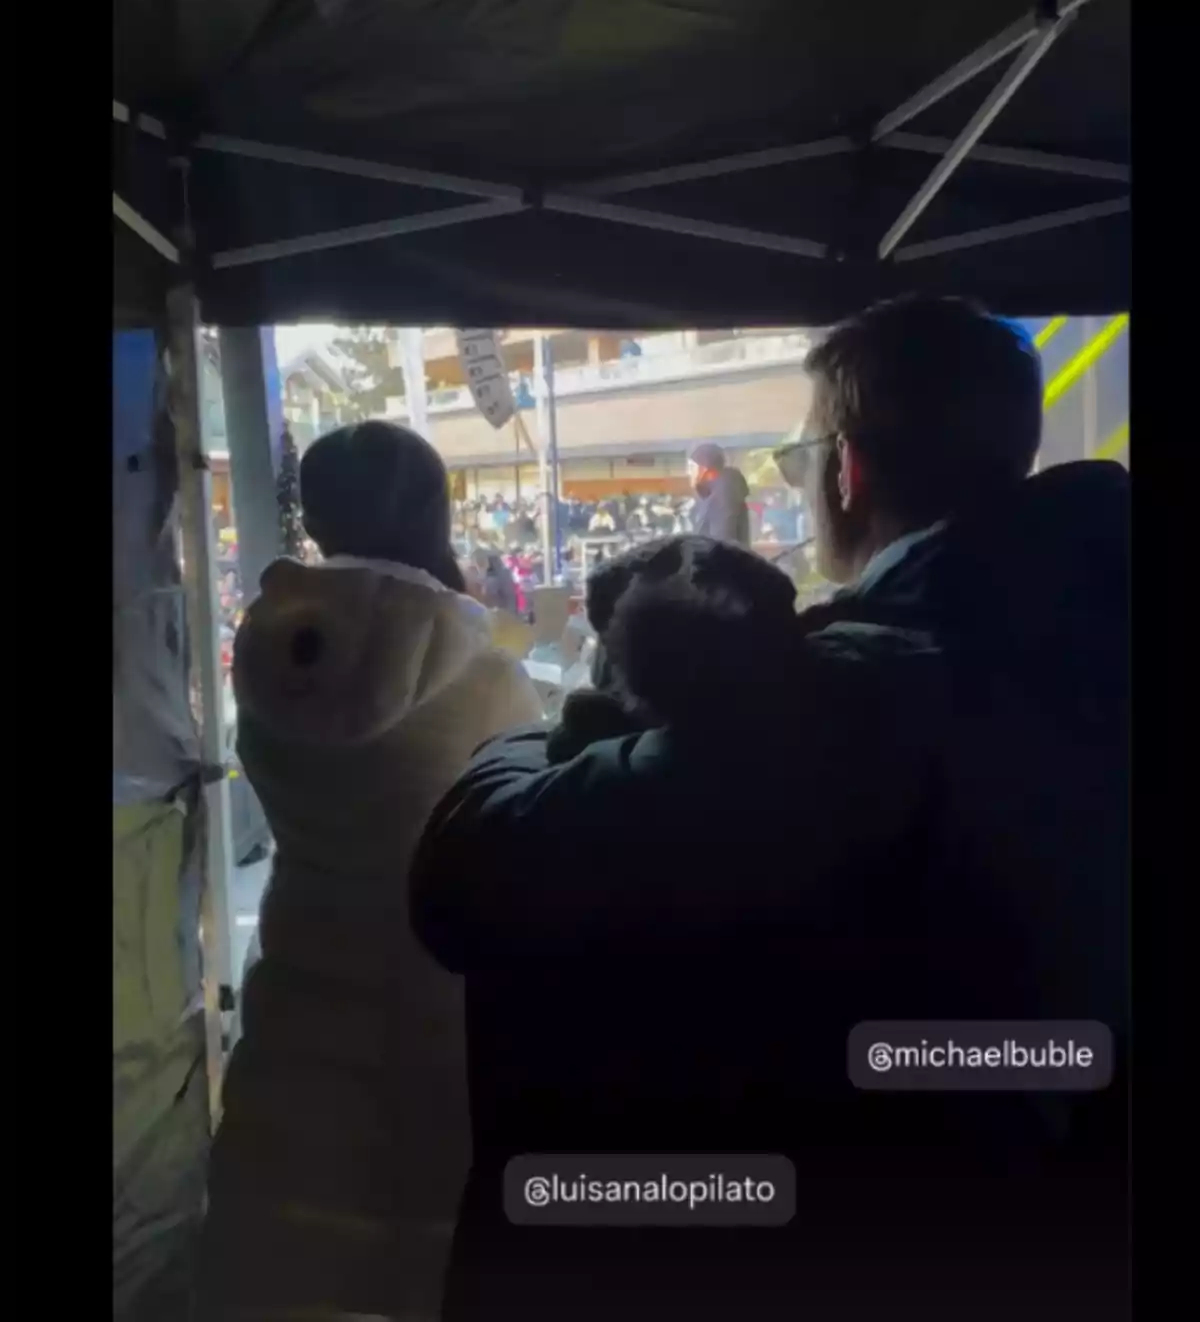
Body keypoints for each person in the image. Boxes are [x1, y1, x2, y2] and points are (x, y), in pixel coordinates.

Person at [410, 297, 1129, 1322]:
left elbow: (468, 874)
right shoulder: (1091, 645)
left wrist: (576, 719)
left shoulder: (864, 691)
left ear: (847, 469)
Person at [197, 421, 543, 1322]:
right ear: (433, 510)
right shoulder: (485, 670)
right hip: (442, 994)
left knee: (297, 1236)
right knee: (432, 1237)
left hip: (304, 968)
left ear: (315, 515)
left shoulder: (271, 650)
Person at [687, 440, 751, 545]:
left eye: (691, 467)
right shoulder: (716, 492)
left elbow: (722, 542)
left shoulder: (724, 494)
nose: (688, 472)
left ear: (704, 468)